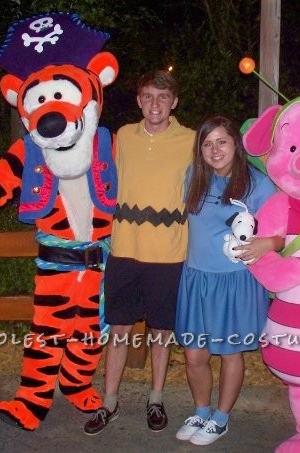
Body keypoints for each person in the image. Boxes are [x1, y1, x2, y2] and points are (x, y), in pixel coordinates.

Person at [83, 69, 196, 435]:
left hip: (169, 252)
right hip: (125, 248)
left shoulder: (192, 140)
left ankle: (156, 398)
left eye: (162, 98)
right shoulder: (122, 137)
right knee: (119, 327)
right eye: (148, 96)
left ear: (174, 103)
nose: (155, 104)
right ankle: (109, 402)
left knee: (161, 331)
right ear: (138, 100)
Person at [174, 115, 283, 445]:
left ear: (236, 143)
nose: (214, 149)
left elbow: (285, 231)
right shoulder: (194, 176)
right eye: (207, 144)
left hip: (234, 283)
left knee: (229, 353)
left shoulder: (259, 184)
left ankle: (221, 418)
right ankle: (201, 410)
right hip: (196, 279)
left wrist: (269, 243)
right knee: (195, 355)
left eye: (221, 141)